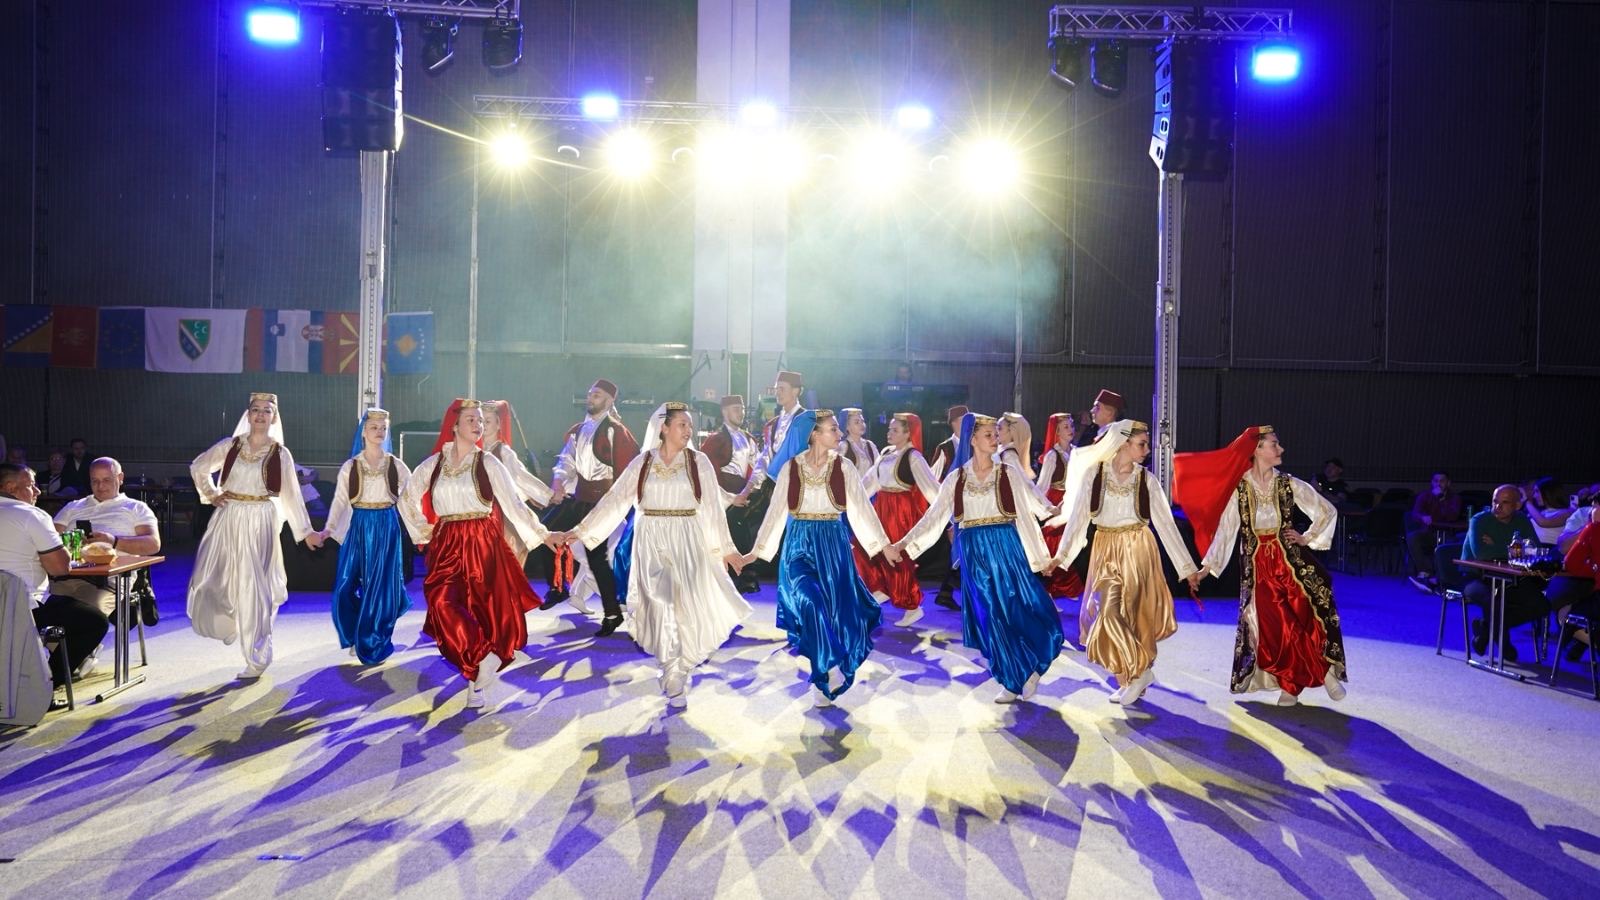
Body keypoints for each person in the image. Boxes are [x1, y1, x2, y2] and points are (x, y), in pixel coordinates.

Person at [560, 402, 751, 708]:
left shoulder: (698, 462)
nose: (688, 430)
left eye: (689, 425)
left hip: (688, 540)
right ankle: (671, 667)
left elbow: (713, 508)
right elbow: (616, 499)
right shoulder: (643, 462)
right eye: (682, 425)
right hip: (650, 541)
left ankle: (679, 667)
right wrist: (583, 530)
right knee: (660, 605)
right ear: (664, 427)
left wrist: (726, 549)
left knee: (684, 608)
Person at [896, 413, 1064, 704]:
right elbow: (934, 517)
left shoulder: (1007, 472)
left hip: (1006, 548)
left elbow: (1032, 506)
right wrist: (903, 544)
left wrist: (1051, 532)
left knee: (1018, 608)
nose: (995, 439)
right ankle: (1011, 678)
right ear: (972, 439)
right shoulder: (957, 478)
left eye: (996, 434)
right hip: (974, 551)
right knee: (990, 614)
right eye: (988, 434)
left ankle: (1032, 664)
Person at [1177, 426, 1347, 707]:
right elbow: (1227, 530)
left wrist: (1307, 537)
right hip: (1259, 567)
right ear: (1256, 450)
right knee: (1278, 625)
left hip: (1291, 561)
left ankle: (1314, 676)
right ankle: (1298, 683)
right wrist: (1207, 567)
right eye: (1274, 444)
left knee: (1305, 615)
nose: (1281, 449)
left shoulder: (1288, 484)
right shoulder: (1240, 488)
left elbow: (1327, 510)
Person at [399, 398, 553, 710]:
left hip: (482, 542)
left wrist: (544, 534)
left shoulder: (489, 463)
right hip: (446, 542)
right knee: (441, 603)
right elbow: (406, 498)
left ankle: (475, 684)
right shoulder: (434, 464)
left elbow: (514, 504)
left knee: (481, 611)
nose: (478, 425)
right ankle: (482, 658)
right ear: (454, 426)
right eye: (471, 419)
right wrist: (424, 530)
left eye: (481, 420)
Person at [745, 409, 901, 707]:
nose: (839, 433)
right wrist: (756, 552)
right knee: (810, 602)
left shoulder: (844, 467)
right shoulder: (791, 468)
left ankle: (822, 675)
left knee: (832, 611)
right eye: (832, 429)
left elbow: (862, 510)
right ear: (814, 434)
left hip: (832, 544)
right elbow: (776, 511)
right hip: (799, 544)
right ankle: (828, 664)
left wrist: (884, 546)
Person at [1044, 421, 1198, 704]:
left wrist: (1187, 568)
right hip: (1105, 549)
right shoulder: (1094, 475)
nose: (1147, 450)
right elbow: (1078, 519)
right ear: (1122, 443)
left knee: (1133, 617)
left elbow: (1166, 525)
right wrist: (1060, 557)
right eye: (1142, 443)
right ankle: (1140, 673)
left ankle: (1130, 679)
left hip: (1138, 550)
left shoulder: (1146, 480)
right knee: (1108, 611)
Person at [187, 393, 321, 679]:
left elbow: (291, 495)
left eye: (266, 411)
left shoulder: (280, 453)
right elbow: (199, 467)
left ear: (274, 417)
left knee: (254, 587)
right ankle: (228, 622)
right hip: (227, 517)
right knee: (215, 579)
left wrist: (305, 531)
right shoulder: (230, 445)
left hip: (260, 521)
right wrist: (211, 494)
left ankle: (256, 656)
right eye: (256, 410)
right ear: (247, 415)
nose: (260, 415)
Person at [536, 379, 639, 636]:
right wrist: (558, 481)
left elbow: (629, 471)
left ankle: (612, 613)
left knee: (596, 557)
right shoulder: (579, 431)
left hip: (603, 503)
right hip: (580, 498)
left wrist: (617, 507)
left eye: (597, 395)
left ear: (610, 400)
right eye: (591, 394)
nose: (591, 398)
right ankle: (558, 588)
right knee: (544, 531)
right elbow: (567, 461)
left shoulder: (616, 431)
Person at [50, 457, 162, 676]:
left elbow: (153, 544)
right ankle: (74, 657)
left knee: (88, 614)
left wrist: (114, 541)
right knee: (48, 617)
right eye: (95, 481)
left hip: (109, 580)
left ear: (120, 478)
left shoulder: (136, 508)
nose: (100, 486)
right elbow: (49, 538)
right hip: (68, 575)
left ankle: (68, 662)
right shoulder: (74, 507)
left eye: (106, 480)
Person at [319, 409, 413, 666]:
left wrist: (420, 529)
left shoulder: (395, 465)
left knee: (380, 587)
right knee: (345, 585)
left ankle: (374, 640)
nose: (379, 431)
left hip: (386, 526)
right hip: (359, 525)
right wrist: (328, 529)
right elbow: (340, 500)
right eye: (374, 427)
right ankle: (355, 631)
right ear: (363, 432)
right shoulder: (351, 466)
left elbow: (411, 497)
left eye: (383, 428)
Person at [0, 462, 99, 703]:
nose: (38, 491)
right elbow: (60, 568)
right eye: (32, 485)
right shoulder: (31, 515)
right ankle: (42, 688)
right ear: (11, 487)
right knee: (94, 622)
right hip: (22, 608)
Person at [858, 412, 941, 626]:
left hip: (900, 511)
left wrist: (946, 517)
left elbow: (932, 489)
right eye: (890, 429)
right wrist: (852, 499)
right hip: (881, 507)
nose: (889, 432)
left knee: (897, 558)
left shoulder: (914, 457)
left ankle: (912, 606)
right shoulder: (886, 452)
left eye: (895, 430)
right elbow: (870, 482)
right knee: (862, 546)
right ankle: (880, 588)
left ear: (908, 434)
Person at [1458, 484, 1544, 661]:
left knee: (1540, 605)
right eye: (1495, 501)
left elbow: (1534, 549)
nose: (1497, 507)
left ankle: (1485, 629)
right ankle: (1504, 643)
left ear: (1517, 505)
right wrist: (1514, 548)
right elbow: (1482, 554)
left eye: (1504, 503)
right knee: (1495, 601)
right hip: (1475, 576)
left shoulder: (1521, 520)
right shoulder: (1479, 520)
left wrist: (1497, 545)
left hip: (1508, 576)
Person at [699, 394, 761, 593]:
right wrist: (725, 497)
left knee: (741, 532)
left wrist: (748, 490)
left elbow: (758, 468)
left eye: (742, 409)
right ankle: (731, 578)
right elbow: (707, 472)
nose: (741, 413)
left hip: (743, 493)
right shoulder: (715, 439)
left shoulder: (748, 439)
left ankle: (743, 576)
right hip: (721, 494)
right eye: (736, 409)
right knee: (727, 533)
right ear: (724, 412)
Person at [1034, 412, 1085, 600]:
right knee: (1055, 545)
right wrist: (1046, 509)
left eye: (1071, 426)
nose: (1071, 430)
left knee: (1072, 542)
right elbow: (1042, 486)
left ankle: (1065, 587)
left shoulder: (1076, 452)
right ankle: (1053, 588)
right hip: (1056, 501)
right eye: (1065, 427)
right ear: (1056, 432)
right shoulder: (1052, 456)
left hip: (1074, 500)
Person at [925, 404, 969, 611]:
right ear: (953, 423)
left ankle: (946, 592)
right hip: (950, 506)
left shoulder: (974, 444)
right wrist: (945, 513)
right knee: (957, 548)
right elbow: (932, 479)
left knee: (961, 549)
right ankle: (949, 592)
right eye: (962, 421)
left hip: (970, 504)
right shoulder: (945, 448)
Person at [1548, 495, 1600, 663]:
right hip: (1581, 581)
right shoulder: (1582, 516)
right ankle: (1577, 642)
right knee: (1565, 599)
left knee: (1567, 615)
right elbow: (1563, 547)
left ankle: (1578, 640)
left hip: (1593, 588)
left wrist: (1592, 527)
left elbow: (1571, 563)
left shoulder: (1593, 529)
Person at [1406, 471, 1467, 592]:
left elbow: (1452, 516)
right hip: (1429, 532)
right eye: (1435, 481)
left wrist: (1440, 499)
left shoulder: (1455, 498)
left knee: (1450, 546)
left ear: (1448, 483)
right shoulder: (1424, 496)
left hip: (1448, 533)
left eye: (1442, 481)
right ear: (1431, 482)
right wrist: (1422, 517)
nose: (1438, 484)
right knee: (1413, 537)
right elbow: (1415, 513)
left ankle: (1439, 578)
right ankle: (1427, 571)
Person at [1523, 477, 1573, 547]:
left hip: (1550, 549)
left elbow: (1543, 522)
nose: (1534, 496)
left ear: (1547, 492)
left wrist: (1527, 502)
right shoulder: (1539, 512)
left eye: (1537, 491)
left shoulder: (1567, 513)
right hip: (1531, 548)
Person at [838, 407, 879, 472]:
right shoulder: (843, 446)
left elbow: (878, 467)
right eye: (857, 422)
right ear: (847, 426)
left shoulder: (870, 445)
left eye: (862, 421)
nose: (861, 425)